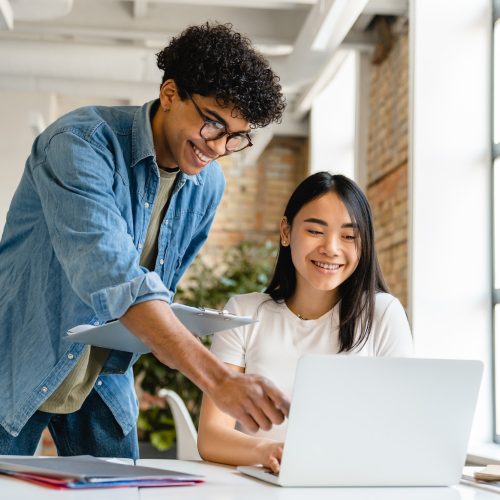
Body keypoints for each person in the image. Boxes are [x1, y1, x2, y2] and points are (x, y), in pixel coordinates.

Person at [0, 22, 290, 458]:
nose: (219, 148)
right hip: (20, 363)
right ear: (170, 94)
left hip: (101, 377)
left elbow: (158, 286)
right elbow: (114, 276)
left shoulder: (206, 184)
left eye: (237, 137)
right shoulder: (79, 144)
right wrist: (219, 379)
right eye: (213, 125)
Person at [197, 172, 413, 473]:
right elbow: (211, 437)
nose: (332, 248)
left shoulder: (382, 313)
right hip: (257, 486)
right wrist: (269, 452)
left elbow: (402, 428)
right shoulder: (243, 313)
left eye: (349, 236)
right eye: (315, 231)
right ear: (286, 232)